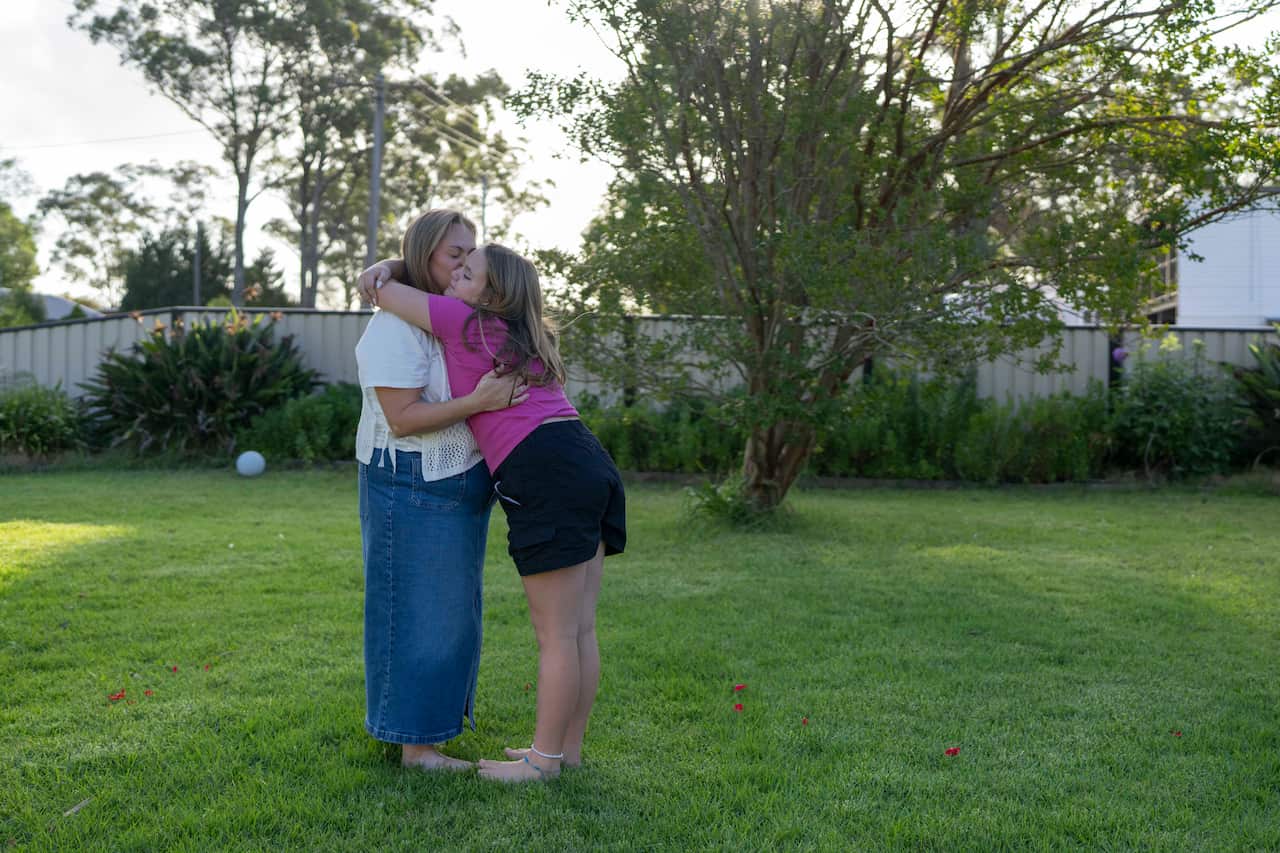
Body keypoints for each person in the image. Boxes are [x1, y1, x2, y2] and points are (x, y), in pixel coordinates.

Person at [359, 238, 626, 782]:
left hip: (544, 470)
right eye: (456, 263)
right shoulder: (527, 335)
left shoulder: (463, 321)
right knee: (579, 629)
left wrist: (387, 266)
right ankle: (566, 751)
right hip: (587, 460)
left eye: (469, 270)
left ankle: (542, 763)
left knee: (555, 635)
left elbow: (384, 294)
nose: (458, 273)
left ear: (491, 294)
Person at [355, 209, 529, 772]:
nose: (465, 262)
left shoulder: (459, 317)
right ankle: (416, 747)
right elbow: (403, 418)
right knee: (418, 612)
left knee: (453, 614)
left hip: (457, 482)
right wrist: (480, 403)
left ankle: (429, 732)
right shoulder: (394, 326)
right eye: (454, 253)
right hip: (410, 480)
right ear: (424, 255)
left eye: (469, 253)